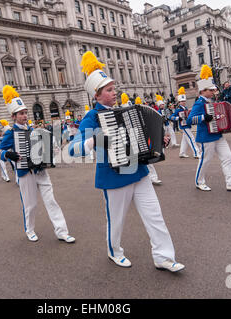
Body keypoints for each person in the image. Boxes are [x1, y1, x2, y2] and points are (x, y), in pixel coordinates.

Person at [69, 51, 184, 272]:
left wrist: (161, 141)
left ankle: (163, 257)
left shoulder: (126, 111)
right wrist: (96, 139)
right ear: (97, 95)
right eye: (109, 90)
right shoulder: (91, 118)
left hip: (138, 170)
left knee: (154, 215)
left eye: (114, 88)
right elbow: (73, 150)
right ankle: (115, 251)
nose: (115, 93)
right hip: (113, 176)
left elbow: (142, 140)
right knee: (117, 221)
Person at [0, 85, 75, 244]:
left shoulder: (34, 130)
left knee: (51, 201)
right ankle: (29, 230)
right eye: (21, 114)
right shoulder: (11, 134)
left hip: (41, 171)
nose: (24, 116)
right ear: (14, 116)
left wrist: (52, 151)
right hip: (25, 173)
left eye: (25, 113)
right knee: (30, 205)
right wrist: (6, 154)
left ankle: (62, 232)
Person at [187, 65, 231, 193]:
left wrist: (230, 120)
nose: (214, 92)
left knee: (228, 158)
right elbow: (189, 120)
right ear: (203, 91)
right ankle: (199, 182)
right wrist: (204, 117)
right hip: (206, 137)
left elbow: (220, 115)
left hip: (218, 135)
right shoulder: (199, 103)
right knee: (205, 161)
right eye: (211, 90)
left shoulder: (212, 101)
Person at [169, 87, 201, 159]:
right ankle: (196, 153)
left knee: (185, 140)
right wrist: (178, 118)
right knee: (191, 138)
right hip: (184, 126)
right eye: (182, 101)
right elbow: (171, 117)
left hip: (187, 125)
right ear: (179, 102)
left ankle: (182, 153)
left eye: (184, 101)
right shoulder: (178, 110)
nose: (183, 102)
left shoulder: (186, 109)